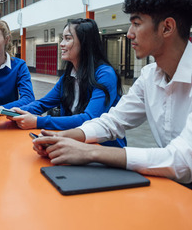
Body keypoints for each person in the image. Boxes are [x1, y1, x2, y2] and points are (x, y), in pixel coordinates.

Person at [32, 0, 192, 212]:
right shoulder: (150, 75)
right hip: (172, 184)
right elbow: (114, 121)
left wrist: (90, 151)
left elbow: (184, 160)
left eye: (136, 24)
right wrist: (67, 136)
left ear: (167, 28)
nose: (129, 34)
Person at [10, 18, 126, 148]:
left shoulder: (105, 75)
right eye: (62, 38)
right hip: (74, 145)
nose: (61, 44)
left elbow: (89, 119)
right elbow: (42, 104)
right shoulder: (68, 76)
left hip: (104, 149)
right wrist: (10, 112)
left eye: (68, 38)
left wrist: (37, 121)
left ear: (85, 43)